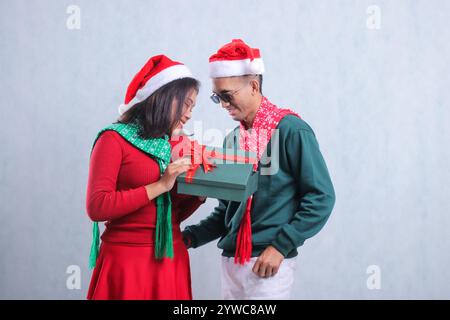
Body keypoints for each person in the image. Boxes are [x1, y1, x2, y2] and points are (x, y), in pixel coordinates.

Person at [182, 39, 336, 299]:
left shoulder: (291, 130)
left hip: (268, 261)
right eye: (217, 97)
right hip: (231, 262)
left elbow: (321, 197)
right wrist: (189, 237)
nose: (223, 104)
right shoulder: (232, 138)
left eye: (227, 96)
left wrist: (280, 247)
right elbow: (228, 210)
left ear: (253, 86)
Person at [86, 55, 205, 300]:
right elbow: (97, 207)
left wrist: (198, 195)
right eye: (186, 104)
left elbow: (168, 216)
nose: (189, 114)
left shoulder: (172, 145)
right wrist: (160, 185)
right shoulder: (113, 139)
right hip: (126, 260)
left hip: (170, 257)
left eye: (193, 107)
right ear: (165, 96)